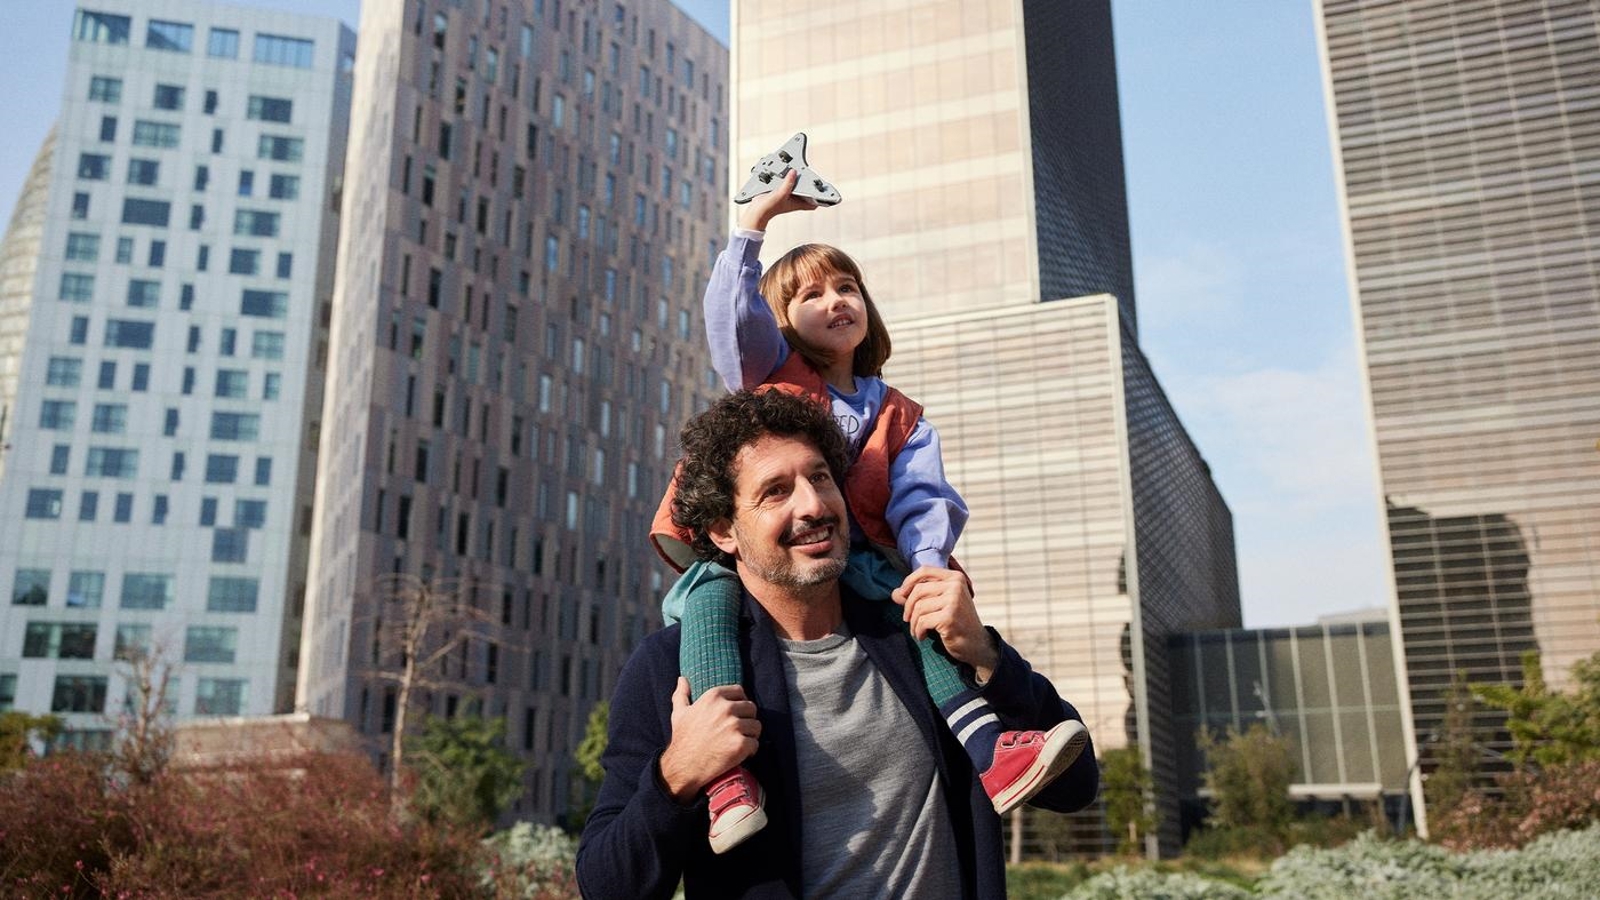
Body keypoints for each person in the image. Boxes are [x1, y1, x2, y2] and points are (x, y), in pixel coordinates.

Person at [647, 170, 1089, 854]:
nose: (835, 300)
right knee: (708, 611)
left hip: (863, 561)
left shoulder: (901, 413)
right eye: (811, 294)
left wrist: (928, 572)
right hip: (755, 565)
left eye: (846, 287)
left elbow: (922, 498)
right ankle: (729, 780)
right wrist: (754, 225)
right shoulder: (770, 372)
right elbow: (731, 322)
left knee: (911, 619)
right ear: (780, 321)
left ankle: (991, 748)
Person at [576, 388, 1099, 898]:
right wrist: (677, 775)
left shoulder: (916, 635)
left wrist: (987, 656)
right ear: (722, 531)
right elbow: (608, 882)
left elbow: (1076, 786)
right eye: (775, 491)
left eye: (821, 478)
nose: (813, 505)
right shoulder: (671, 667)